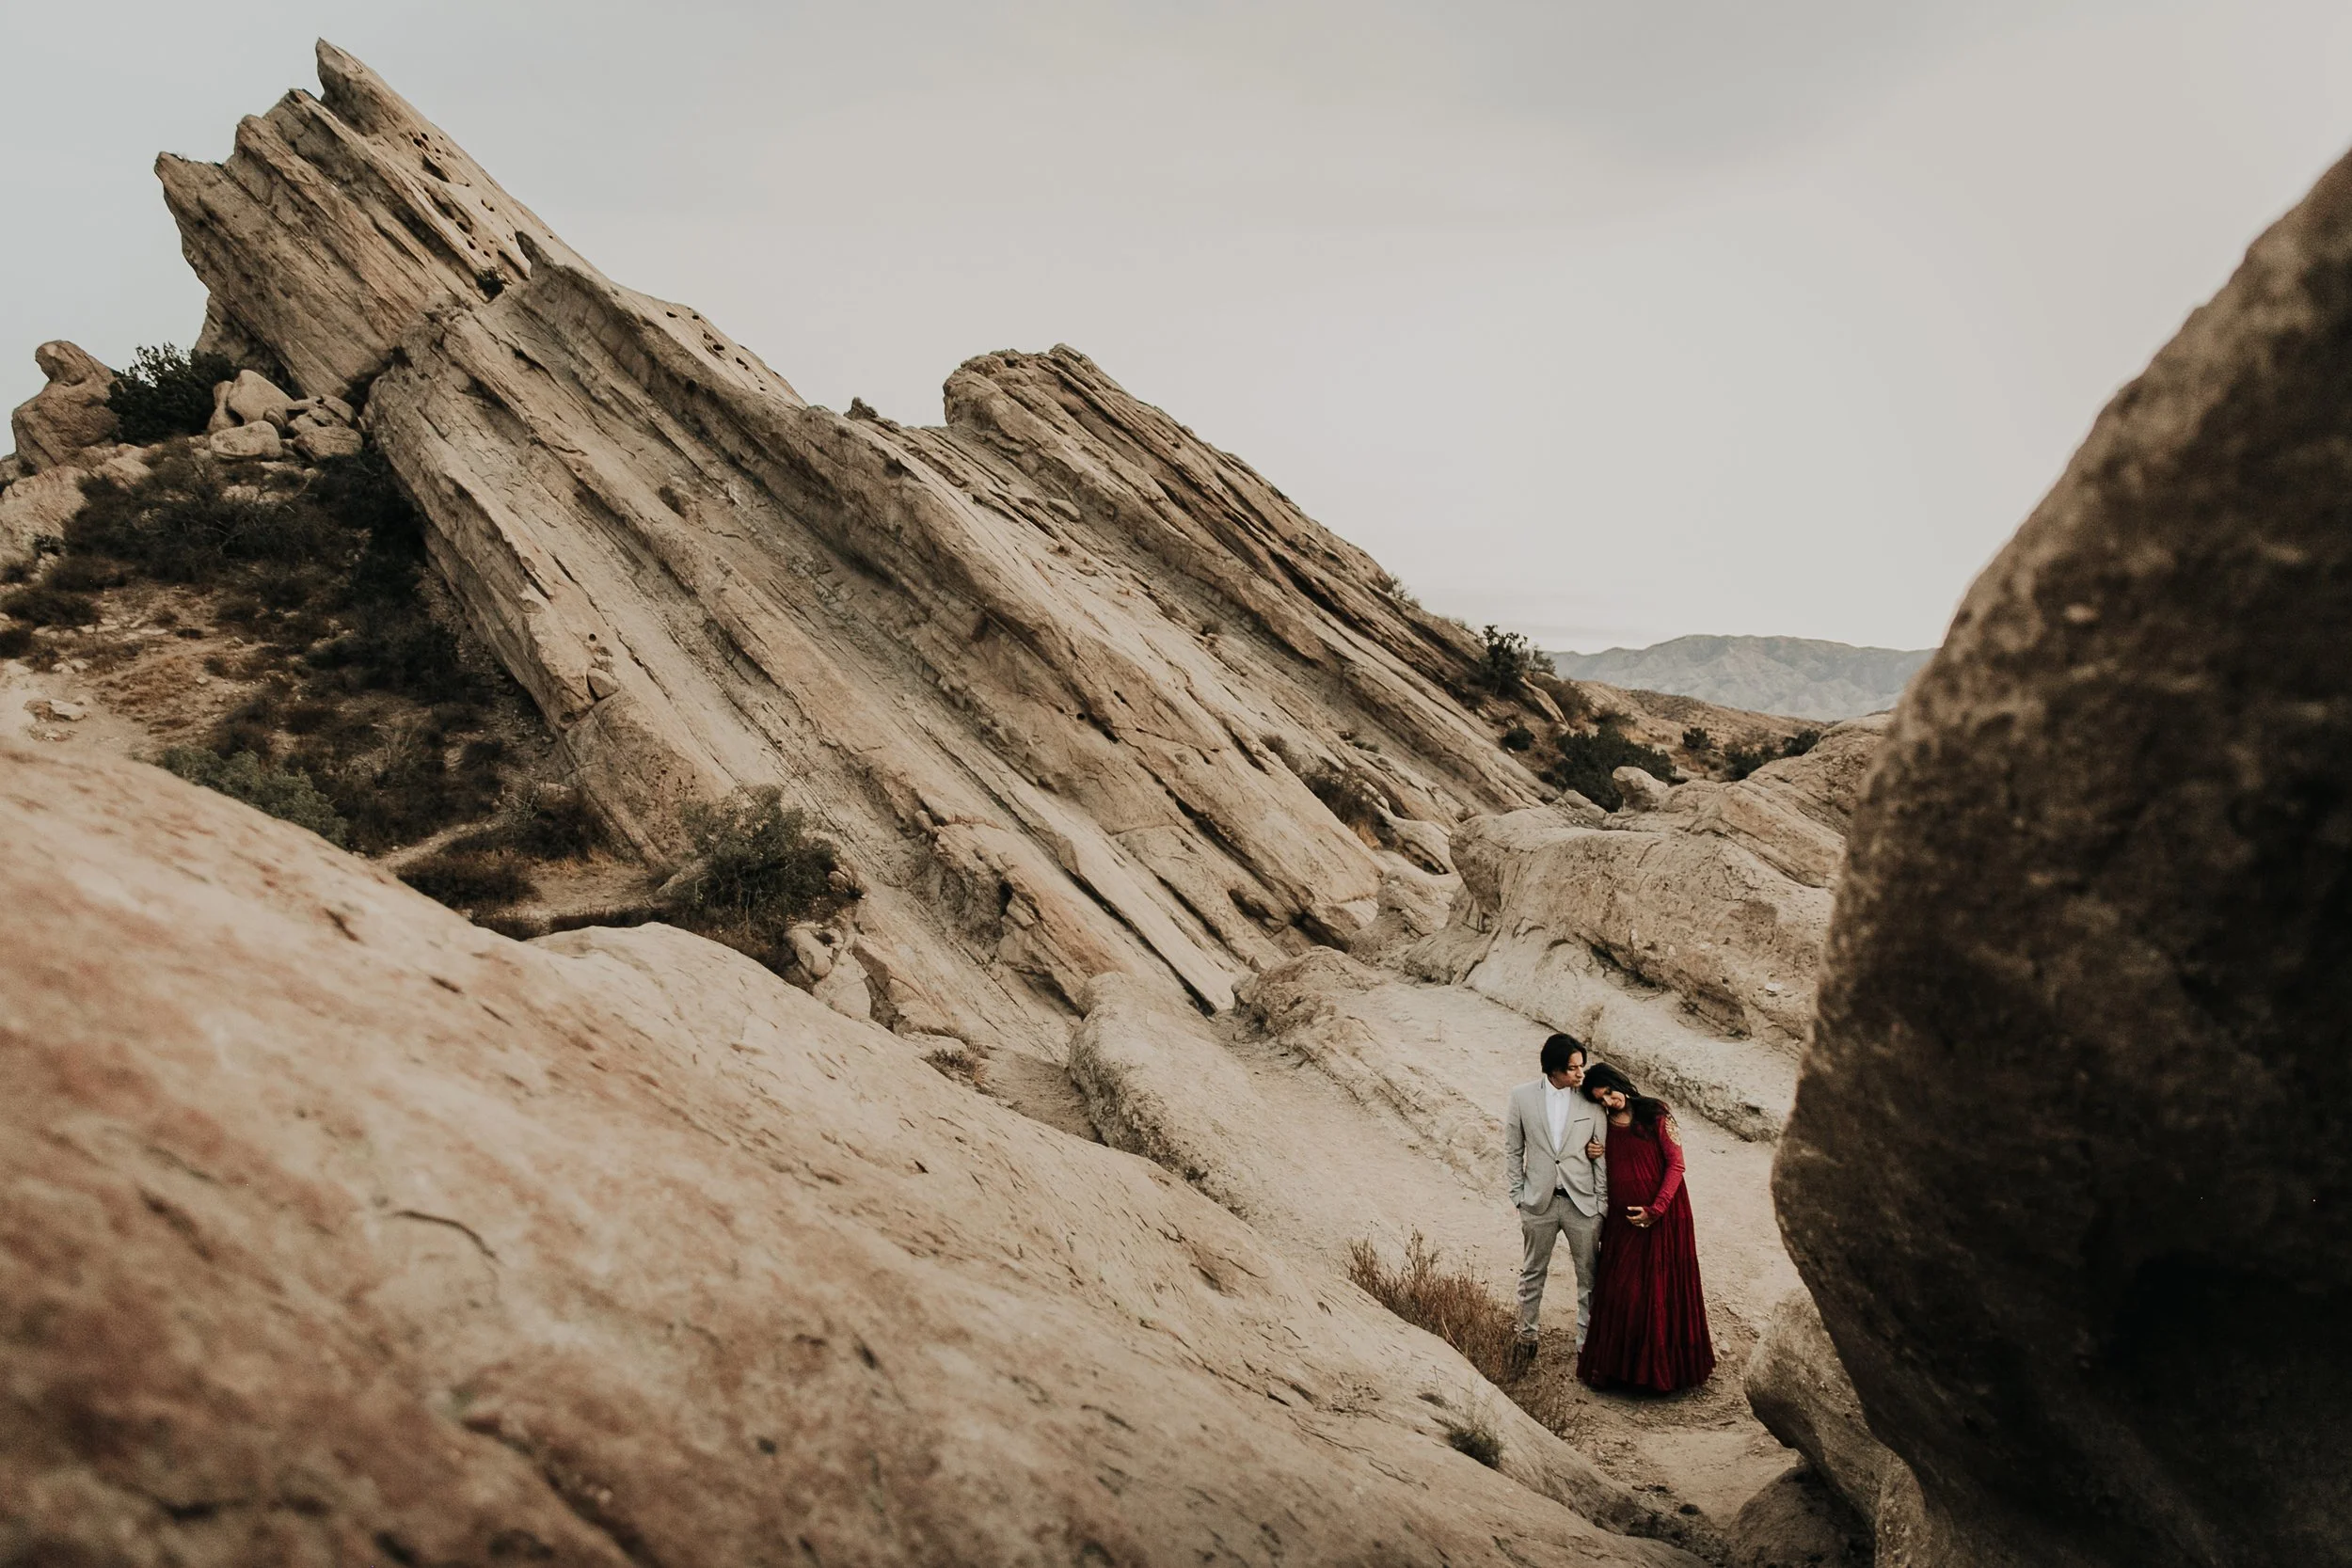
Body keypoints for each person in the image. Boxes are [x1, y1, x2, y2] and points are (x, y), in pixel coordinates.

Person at [1575, 1063, 1715, 1393]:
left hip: (1665, 1216)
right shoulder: (1601, 1123)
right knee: (1623, 1289)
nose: (1609, 1101)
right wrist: (1593, 1151)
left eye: (1610, 1092)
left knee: (1661, 1291)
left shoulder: (1655, 1113)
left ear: (1619, 1083)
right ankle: (1618, 1372)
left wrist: (1657, 1209)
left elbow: (1676, 1164)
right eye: (1601, 1099)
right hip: (1622, 1223)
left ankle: (1660, 1377)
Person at [1502, 1033, 1612, 1359]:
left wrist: (1601, 1205)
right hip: (1539, 1203)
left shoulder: (1590, 1101)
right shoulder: (1521, 1097)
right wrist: (1517, 1195)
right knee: (1533, 1272)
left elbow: (1601, 1155)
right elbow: (1513, 1149)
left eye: (1582, 1066)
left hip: (1583, 1204)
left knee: (1588, 1279)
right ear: (1553, 1070)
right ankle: (1526, 1338)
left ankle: (1586, 1346)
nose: (1581, 1074)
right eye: (1573, 1068)